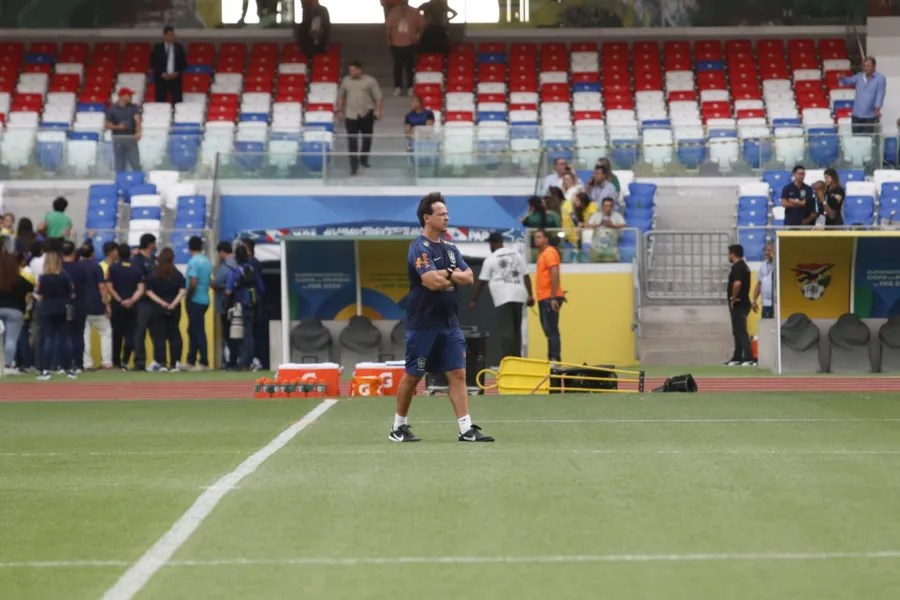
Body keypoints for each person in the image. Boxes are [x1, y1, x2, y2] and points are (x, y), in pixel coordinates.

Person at [388, 192, 494, 443]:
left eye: (447, 213)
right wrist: (451, 272)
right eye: (441, 213)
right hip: (423, 324)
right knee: (414, 375)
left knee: (458, 374)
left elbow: (469, 277)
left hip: (449, 324)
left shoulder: (450, 247)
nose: (447, 217)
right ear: (427, 218)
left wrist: (446, 272)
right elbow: (432, 282)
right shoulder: (418, 247)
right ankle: (398, 427)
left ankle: (466, 429)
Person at [469, 232, 534, 359]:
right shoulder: (517, 255)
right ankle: (517, 359)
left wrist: (473, 300)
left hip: (503, 296)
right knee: (516, 330)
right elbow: (526, 276)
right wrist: (530, 295)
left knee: (507, 331)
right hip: (519, 294)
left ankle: (509, 360)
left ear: (493, 244)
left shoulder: (491, 259)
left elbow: (481, 282)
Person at [34, 251, 76, 380]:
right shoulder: (65, 276)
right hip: (64, 307)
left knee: (49, 339)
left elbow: (39, 294)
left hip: (48, 308)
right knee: (65, 339)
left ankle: (46, 370)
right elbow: (72, 293)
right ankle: (69, 369)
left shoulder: (43, 277)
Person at [336, 60, 383, 176]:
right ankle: (353, 166)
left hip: (366, 113)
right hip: (351, 114)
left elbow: (378, 97)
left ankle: (364, 159)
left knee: (367, 138)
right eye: (350, 70)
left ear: (359, 69)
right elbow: (341, 96)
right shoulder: (346, 81)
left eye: (353, 70)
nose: (350, 72)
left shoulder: (370, 81)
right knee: (352, 140)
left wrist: (378, 110)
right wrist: (340, 110)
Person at [145, 247, 187, 372]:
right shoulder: (177, 273)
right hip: (174, 307)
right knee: (174, 334)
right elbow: (182, 290)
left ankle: (161, 363)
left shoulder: (154, 273)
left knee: (159, 336)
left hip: (158, 307)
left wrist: (162, 303)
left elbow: (149, 292)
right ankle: (175, 363)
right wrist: (173, 304)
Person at [225, 244, 264, 370]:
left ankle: (242, 362)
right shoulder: (253, 269)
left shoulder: (235, 271)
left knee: (241, 334)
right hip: (252, 303)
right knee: (249, 334)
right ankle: (250, 360)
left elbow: (229, 290)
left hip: (240, 304)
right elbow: (261, 288)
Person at [108, 243, 144, 370]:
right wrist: (131, 300)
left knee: (116, 334)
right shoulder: (137, 268)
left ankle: (116, 362)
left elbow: (109, 287)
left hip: (117, 306)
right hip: (133, 306)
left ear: (118, 253)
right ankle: (125, 361)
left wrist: (120, 300)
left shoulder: (113, 268)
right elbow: (141, 289)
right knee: (130, 334)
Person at [0, 251, 33, 374]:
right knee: (11, 340)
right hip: (15, 311)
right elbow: (33, 291)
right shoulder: (20, 280)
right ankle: (8, 365)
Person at [80, 244, 112, 371]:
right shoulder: (96, 267)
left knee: (84, 334)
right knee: (106, 332)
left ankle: (87, 363)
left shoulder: (78, 267)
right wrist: (107, 304)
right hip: (96, 304)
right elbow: (102, 287)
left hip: (81, 305)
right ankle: (107, 362)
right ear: (92, 254)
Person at [534, 229, 563, 362]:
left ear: (546, 238)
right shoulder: (542, 254)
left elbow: (555, 272)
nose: (536, 240)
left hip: (549, 297)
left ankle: (555, 358)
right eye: (535, 237)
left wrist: (553, 297)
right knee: (549, 329)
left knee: (551, 329)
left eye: (539, 237)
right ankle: (552, 357)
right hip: (544, 297)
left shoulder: (549, 252)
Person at [131, 234, 159, 372]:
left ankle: (158, 360)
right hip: (142, 301)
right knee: (140, 332)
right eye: (154, 243)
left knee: (157, 332)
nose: (155, 245)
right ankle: (140, 361)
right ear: (149, 244)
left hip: (155, 299)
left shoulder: (155, 259)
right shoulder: (136, 260)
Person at [839, 57, 886, 136]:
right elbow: (847, 82)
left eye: (868, 66)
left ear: (874, 66)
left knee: (868, 139)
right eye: (864, 66)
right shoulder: (859, 76)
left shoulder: (880, 78)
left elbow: (880, 94)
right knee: (856, 139)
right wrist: (842, 78)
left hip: (870, 115)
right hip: (856, 114)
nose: (866, 68)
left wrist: (877, 108)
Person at [386, 0, 424, 97]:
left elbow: (422, 25)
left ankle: (410, 86)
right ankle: (398, 86)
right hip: (396, 43)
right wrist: (389, 41)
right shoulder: (393, 12)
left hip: (410, 43)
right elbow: (388, 28)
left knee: (410, 66)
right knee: (397, 66)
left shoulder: (414, 12)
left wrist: (418, 36)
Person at [185, 236, 212, 371]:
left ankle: (204, 361)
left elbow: (193, 282)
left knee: (198, 331)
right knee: (193, 330)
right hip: (205, 298)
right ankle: (191, 360)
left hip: (195, 300)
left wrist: (188, 297)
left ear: (189, 247)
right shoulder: (206, 261)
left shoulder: (193, 262)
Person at [61, 241, 88, 373]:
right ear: (73, 253)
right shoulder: (81, 268)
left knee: (64, 335)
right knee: (78, 335)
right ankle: (78, 364)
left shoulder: (58, 268)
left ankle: (64, 364)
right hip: (79, 304)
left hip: (63, 305)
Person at [726, 244, 754, 367]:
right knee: (737, 330)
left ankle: (748, 357)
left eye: (729, 253)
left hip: (739, 303)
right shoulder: (744, 267)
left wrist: (733, 297)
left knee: (741, 331)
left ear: (733, 254)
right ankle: (737, 356)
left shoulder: (737, 267)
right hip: (742, 303)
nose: (728, 256)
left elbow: (737, 284)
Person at [213, 241, 239, 369]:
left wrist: (209, 281)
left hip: (225, 304)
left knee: (227, 334)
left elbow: (217, 283)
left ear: (222, 252)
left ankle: (229, 361)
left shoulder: (225, 267)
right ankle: (236, 359)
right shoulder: (236, 264)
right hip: (237, 304)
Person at [105, 87, 142, 172]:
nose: (130, 97)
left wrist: (139, 132)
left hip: (131, 138)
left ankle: (138, 180)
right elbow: (106, 125)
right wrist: (118, 127)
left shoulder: (133, 107)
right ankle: (120, 180)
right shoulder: (112, 109)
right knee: (119, 162)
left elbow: (137, 119)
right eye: (128, 95)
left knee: (135, 161)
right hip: (118, 138)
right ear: (122, 96)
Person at [150, 26, 187, 104]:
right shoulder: (157, 48)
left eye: (172, 34)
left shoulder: (179, 47)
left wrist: (177, 73)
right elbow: (154, 63)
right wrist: (163, 74)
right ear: (164, 35)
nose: (171, 37)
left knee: (177, 99)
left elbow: (183, 63)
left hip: (175, 79)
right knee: (160, 99)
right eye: (169, 34)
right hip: (161, 78)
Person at [521, 195, 562, 262]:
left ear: (532, 207)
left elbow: (522, 222)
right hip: (552, 246)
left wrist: (528, 215)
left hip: (534, 249)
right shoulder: (551, 217)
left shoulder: (530, 219)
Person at [587, 197, 627, 263]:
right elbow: (588, 226)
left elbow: (625, 226)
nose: (608, 208)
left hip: (612, 248)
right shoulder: (596, 215)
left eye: (610, 206)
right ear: (602, 206)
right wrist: (599, 225)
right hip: (597, 248)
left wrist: (612, 226)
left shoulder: (617, 215)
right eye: (606, 206)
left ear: (613, 206)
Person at [752, 242, 775, 320]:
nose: (767, 253)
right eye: (766, 250)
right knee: (766, 323)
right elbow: (759, 283)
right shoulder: (763, 265)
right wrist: (754, 300)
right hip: (766, 303)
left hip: (777, 302)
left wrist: (774, 260)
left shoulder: (779, 263)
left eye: (770, 250)